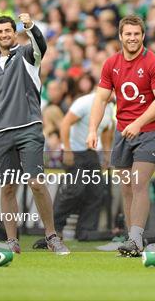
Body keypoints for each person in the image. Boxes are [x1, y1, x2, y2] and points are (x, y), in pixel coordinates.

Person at [0, 14, 69, 255]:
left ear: (14, 33)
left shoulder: (27, 55)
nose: (4, 34)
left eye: (8, 30)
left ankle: (51, 236)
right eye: (0, 31)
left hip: (29, 128)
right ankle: (12, 242)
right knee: (7, 188)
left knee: (36, 183)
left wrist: (31, 26)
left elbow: (41, 46)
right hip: (2, 133)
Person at [87, 14, 155, 257]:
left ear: (143, 36)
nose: (132, 38)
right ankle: (132, 240)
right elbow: (101, 98)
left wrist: (139, 122)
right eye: (128, 34)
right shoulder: (111, 63)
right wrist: (93, 128)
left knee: (138, 182)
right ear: (121, 37)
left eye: (136, 34)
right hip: (123, 132)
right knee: (125, 188)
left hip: (150, 131)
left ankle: (135, 239)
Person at [55, 89, 114, 239]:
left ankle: (85, 231)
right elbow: (65, 124)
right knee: (75, 189)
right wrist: (67, 149)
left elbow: (107, 129)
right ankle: (55, 227)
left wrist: (107, 154)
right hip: (73, 150)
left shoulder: (108, 107)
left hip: (90, 153)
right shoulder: (85, 102)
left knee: (96, 191)